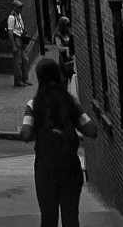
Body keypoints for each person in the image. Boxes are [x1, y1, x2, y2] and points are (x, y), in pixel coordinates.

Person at [19, 56, 97, 227]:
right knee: (71, 218)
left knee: (48, 218)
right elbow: (91, 129)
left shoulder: (33, 105)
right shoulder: (70, 103)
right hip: (70, 168)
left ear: (39, 79)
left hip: (45, 169)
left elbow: (25, 133)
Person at [7, 0, 29, 85]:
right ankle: (18, 80)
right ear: (14, 7)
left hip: (21, 39)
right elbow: (10, 32)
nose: (21, 9)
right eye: (19, 7)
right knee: (18, 61)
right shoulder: (11, 17)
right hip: (16, 40)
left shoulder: (19, 15)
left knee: (25, 60)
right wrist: (13, 46)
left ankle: (25, 78)